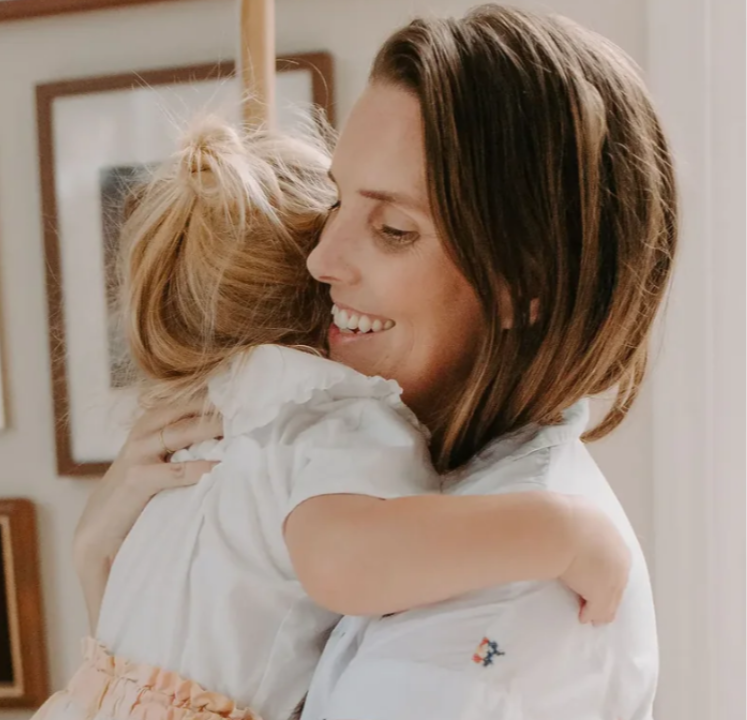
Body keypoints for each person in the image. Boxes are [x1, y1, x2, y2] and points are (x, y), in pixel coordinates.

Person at [71, 5, 673, 720]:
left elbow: (339, 566)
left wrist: (556, 532)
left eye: (393, 229)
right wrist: (98, 560)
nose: (321, 259)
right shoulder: (369, 474)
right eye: (335, 200)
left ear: (526, 288)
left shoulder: (493, 612)